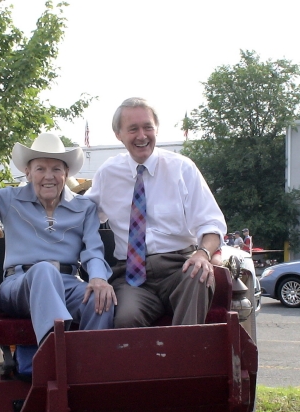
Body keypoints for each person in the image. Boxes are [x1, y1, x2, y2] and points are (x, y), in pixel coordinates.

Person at [0, 98, 115, 345]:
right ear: (27, 172)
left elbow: (93, 250)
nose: (49, 176)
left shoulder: (84, 207)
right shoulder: (9, 199)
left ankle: (92, 368)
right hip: (19, 286)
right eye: (40, 168)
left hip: (68, 284)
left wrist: (99, 278)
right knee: (44, 270)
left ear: (66, 174)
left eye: (56, 169)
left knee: (102, 300)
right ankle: (56, 358)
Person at [86, 97, 227, 328]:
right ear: (118, 134)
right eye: (133, 129)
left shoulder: (182, 168)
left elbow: (211, 224)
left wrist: (202, 253)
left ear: (156, 129)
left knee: (199, 275)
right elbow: (83, 216)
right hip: (131, 278)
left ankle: (183, 362)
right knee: (125, 318)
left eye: (147, 127)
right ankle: (141, 364)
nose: (142, 136)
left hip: (179, 268)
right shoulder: (108, 174)